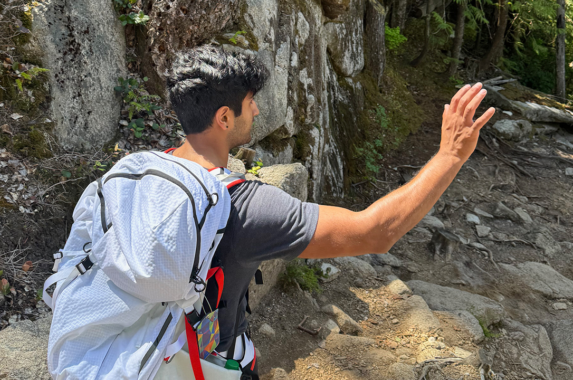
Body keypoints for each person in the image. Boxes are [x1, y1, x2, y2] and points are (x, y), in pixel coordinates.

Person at [165, 45, 495, 379]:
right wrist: (450, 155)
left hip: (136, 357)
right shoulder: (245, 207)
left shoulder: (136, 176)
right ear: (224, 118)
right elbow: (376, 232)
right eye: (250, 102)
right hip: (201, 367)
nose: (258, 111)